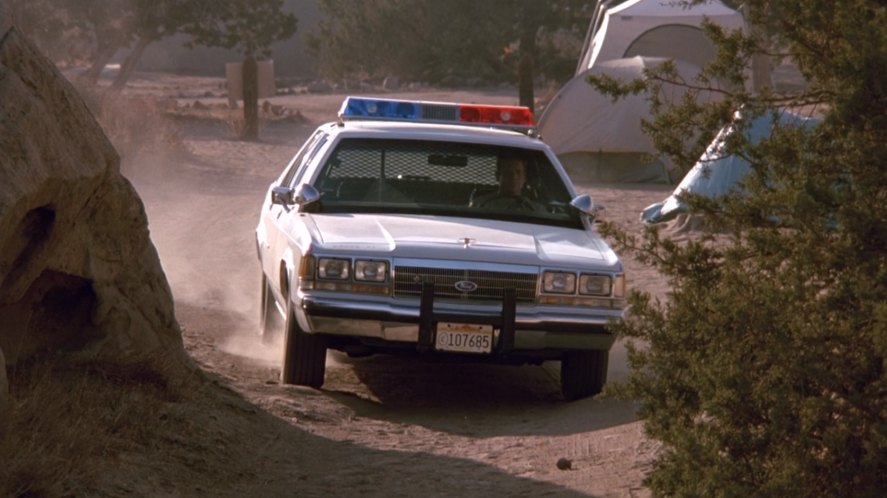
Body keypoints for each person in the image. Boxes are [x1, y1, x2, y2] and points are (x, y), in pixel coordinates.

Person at [471, 152, 546, 212]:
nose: (514, 177)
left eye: (518, 172)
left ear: (524, 177)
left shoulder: (537, 210)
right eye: (508, 172)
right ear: (498, 176)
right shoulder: (480, 206)